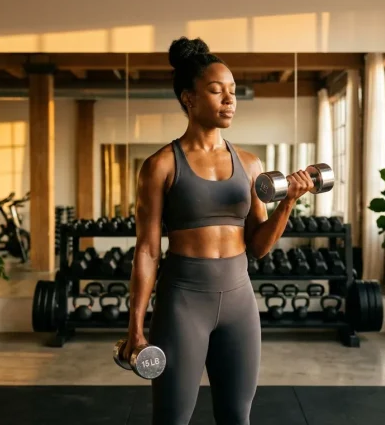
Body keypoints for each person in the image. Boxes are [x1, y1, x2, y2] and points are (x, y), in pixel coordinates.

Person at [123, 37, 315, 425]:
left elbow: (258, 247)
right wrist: (135, 327)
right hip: (183, 302)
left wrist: (288, 203)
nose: (229, 99)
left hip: (239, 301)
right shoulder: (161, 165)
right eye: (216, 90)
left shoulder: (250, 164)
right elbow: (147, 250)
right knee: (172, 418)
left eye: (233, 91)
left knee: (236, 417)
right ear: (189, 98)